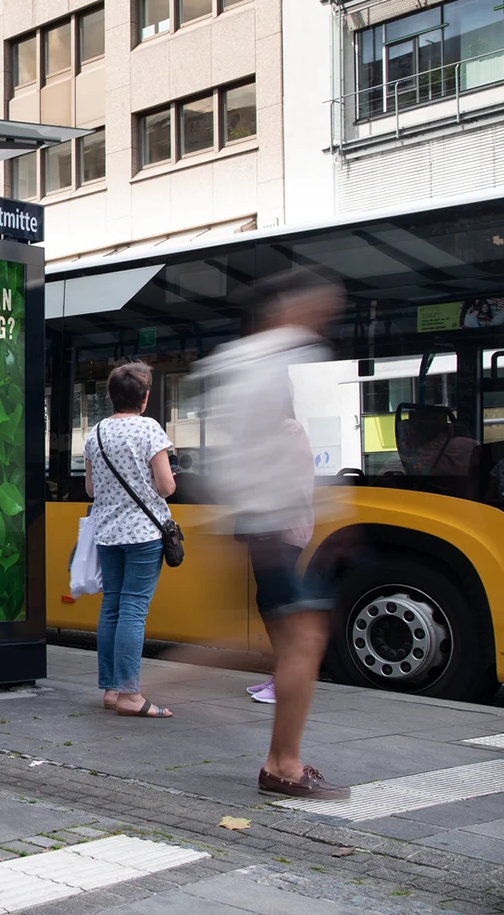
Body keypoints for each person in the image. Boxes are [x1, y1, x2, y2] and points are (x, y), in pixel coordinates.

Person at [198, 269, 348, 800]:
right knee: (304, 644)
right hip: (272, 532)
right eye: (318, 305)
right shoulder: (270, 361)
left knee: (298, 645)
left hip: (265, 530)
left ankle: (284, 760)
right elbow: (253, 463)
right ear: (287, 307)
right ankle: (282, 765)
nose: (324, 315)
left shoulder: (250, 360)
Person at [84, 362, 177, 719]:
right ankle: (129, 694)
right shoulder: (149, 429)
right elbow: (166, 485)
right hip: (142, 534)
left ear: (110, 396)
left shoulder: (96, 434)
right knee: (134, 609)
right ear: (145, 397)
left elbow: (91, 488)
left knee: (112, 607)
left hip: (108, 533)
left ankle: (110, 690)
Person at [242, 415, 315, 707]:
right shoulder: (268, 428)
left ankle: (288, 678)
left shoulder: (287, 429)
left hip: (283, 528)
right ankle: (280, 673)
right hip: (266, 529)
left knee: (279, 604)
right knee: (268, 601)